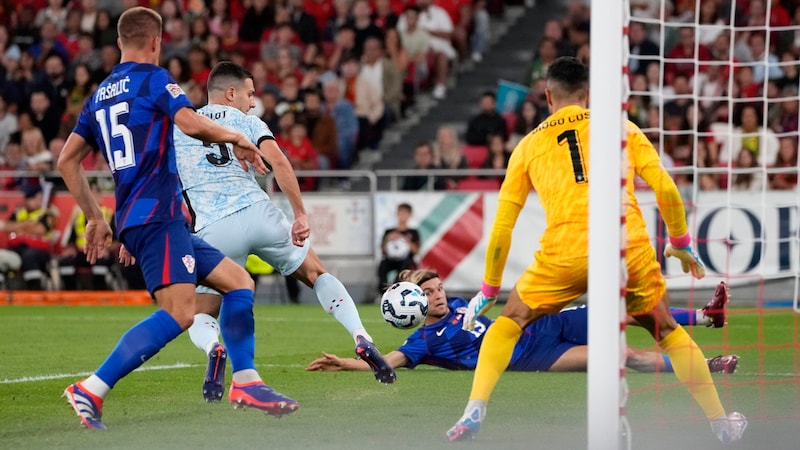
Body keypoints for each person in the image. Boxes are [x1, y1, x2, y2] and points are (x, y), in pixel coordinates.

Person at [446, 57, 746, 444]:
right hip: (627, 247)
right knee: (669, 333)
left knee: (508, 324)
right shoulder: (622, 128)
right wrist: (681, 243)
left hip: (564, 252)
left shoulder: (527, 145)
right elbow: (667, 189)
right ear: (587, 95)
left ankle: (475, 408)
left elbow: (503, 225)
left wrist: (488, 290)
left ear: (548, 95)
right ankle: (721, 423)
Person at [58, 7, 292, 431]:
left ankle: (246, 381)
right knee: (182, 311)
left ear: (119, 43)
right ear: (156, 42)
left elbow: (67, 160)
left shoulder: (99, 95)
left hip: (147, 217)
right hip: (157, 216)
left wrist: (96, 216)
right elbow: (190, 123)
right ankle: (91, 388)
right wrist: (239, 137)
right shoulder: (154, 79)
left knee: (239, 282)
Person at [173, 61, 397, 403]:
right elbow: (278, 161)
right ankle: (361, 335)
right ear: (230, 93)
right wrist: (300, 214)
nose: (252, 102)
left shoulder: (180, 126)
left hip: (214, 226)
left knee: (202, 311)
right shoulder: (247, 122)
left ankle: (214, 348)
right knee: (318, 273)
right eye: (249, 94)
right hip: (259, 212)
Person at [308, 269, 738, 374]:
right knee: (621, 356)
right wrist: (348, 363)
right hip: (534, 356)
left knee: (623, 311)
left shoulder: (461, 305)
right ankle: (709, 367)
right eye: (428, 291)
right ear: (415, 305)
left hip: (543, 326)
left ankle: (706, 317)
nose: (437, 293)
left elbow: (490, 304)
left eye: (437, 287)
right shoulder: (427, 341)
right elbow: (389, 360)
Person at [377, 203, 420, 294]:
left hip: (406, 260)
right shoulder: (389, 231)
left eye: (405, 213)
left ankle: (395, 291)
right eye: (401, 213)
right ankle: (383, 293)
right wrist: (388, 239)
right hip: (391, 259)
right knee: (382, 266)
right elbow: (382, 249)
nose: (402, 216)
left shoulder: (413, 232)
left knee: (405, 268)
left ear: (409, 215)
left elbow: (416, 251)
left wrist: (405, 239)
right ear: (397, 214)